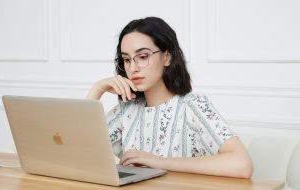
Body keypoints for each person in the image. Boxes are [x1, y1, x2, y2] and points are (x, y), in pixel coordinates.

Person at [87, 17, 253, 178]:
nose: (133, 68)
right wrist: (98, 89)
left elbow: (242, 165)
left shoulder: (193, 106)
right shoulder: (126, 111)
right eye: (126, 59)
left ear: (167, 57)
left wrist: (160, 162)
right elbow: (77, 150)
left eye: (143, 57)